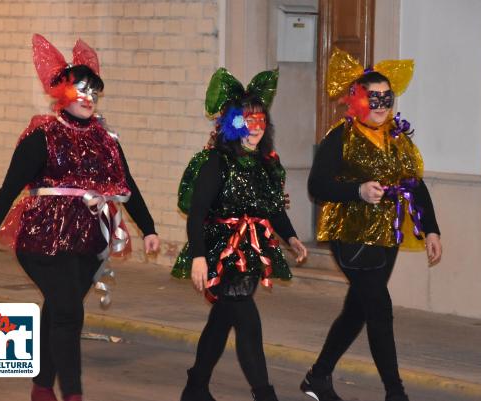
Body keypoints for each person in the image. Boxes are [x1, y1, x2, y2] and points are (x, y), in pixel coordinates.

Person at [0, 34, 159, 401]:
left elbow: (127, 185)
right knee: (69, 311)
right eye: (80, 89)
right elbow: (9, 187)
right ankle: (72, 394)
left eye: (93, 91)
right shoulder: (42, 136)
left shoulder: (107, 139)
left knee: (59, 308)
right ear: (62, 93)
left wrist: (149, 228)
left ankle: (42, 387)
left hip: (89, 240)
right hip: (43, 239)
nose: (88, 97)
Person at [301, 49, 442, 401]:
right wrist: (357, 190)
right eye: (372, 97)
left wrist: (432, 230)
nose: (380, 105)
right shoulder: (341, 137)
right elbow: (316, 186)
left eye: (385, 97)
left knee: (358, 310)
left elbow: (415, 183)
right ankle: (396, 393)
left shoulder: (397, 136)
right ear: (358, 100)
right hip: (351, 235)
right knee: (379, 308)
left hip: (387, 236)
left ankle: (317, 378)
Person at [172, 68, 307, 401]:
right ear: (233, 123)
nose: (255, 128)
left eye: (260, 120)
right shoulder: (216, 162)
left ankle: (195, 387)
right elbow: (197, 213)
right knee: (247, 319)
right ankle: (264, 394)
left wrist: (291, 239)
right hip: (221, 251)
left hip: (251, 250)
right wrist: (200, 258)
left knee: (222, 320)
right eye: (247, 120)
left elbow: (273, 209)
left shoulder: (266, 165)